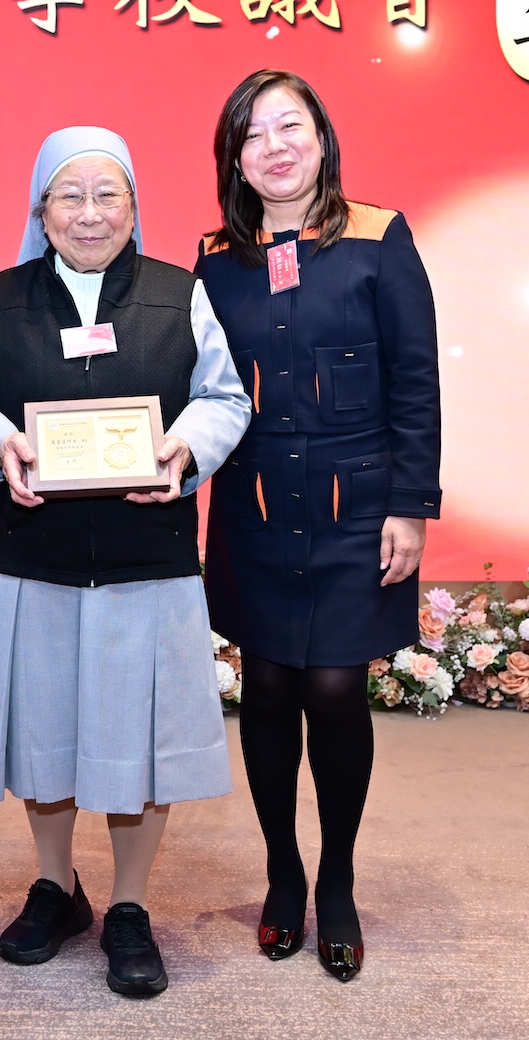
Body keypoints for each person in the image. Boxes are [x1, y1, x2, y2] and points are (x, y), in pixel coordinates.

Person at [0, 126, 250, 997]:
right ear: (41, 210)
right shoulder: (2, 298)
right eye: (69, 196)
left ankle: (130, 906)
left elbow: (224, 398)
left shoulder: (180, 294)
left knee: (139, 741)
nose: (89, 213)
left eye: (108, 194)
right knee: (46, 731)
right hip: (35, 557)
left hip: (149, 560)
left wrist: (186, 448)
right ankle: (55, 886)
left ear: (134, 208)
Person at [194, 70, 441, 982]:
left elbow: (416, 379)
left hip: (356, 507)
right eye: (253, 135)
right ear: (235, 159)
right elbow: (196, 386)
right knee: (266, 689)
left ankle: (336, 877)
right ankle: (282, 872)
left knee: (335, 689)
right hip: (257, 504)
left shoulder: (380, 237)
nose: (275, 147)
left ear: (322, 138)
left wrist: (412, 505)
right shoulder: (216, 258)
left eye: (289, 126)